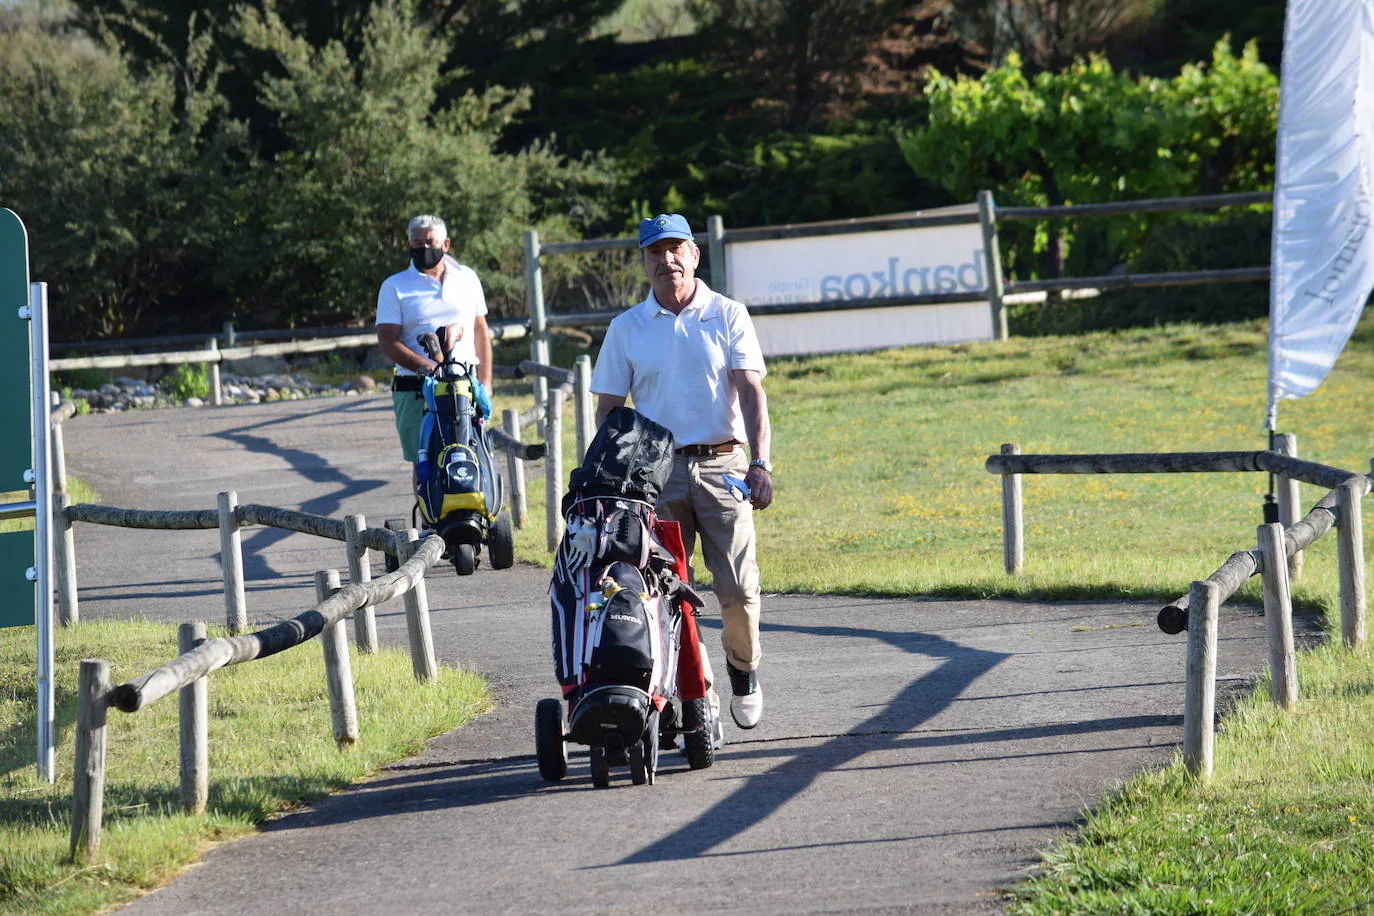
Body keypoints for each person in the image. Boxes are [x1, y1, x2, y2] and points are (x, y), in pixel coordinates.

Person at [591, 212, 774, 730]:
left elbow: (751, 392)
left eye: (676, 249)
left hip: (724, 466)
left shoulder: (727, 313)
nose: (666, 259)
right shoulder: (626, 328)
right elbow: (608, 409)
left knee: (737, 588)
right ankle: (685, 692)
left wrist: (761, 463)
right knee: (660, 591)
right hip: (654, 474)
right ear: (644, 261)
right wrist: (609, 476)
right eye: (655, 252)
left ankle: (743, 670)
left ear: (694, 255)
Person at [375, 214, 493, 475]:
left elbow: (480, 331)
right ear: (408, 244)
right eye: (417, 242)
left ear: (446, 244)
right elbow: (387, 340)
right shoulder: (394, 286)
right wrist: (428, 367)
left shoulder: (467, 278)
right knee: (426, 463)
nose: (424, 248)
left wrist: (485, 381)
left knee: (471, 455)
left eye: (431, 242)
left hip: (465, 386)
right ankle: (430, 515)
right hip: (416, 389)